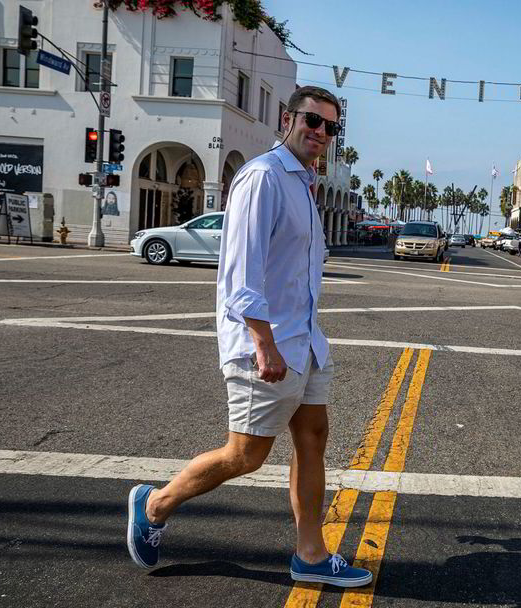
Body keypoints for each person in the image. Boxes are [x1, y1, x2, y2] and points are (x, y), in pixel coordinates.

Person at [125, 86, 372, 587]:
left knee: (312, 440)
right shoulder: (263, 177)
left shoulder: (302, 183)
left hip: (305, 341)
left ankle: (310, 555)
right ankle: (154, 504)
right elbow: (241, 272)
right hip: (268, 345)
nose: (321, 132)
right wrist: (264, 342)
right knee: (245, 455)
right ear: (288, 119)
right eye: (312, 120)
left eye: (330, 126)